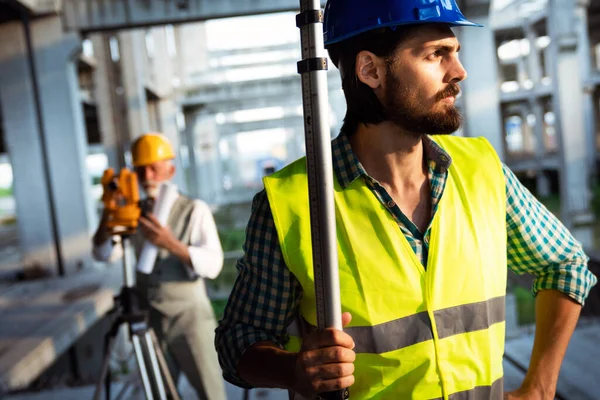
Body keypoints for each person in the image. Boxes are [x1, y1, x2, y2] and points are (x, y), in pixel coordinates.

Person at [215, 0, 598, 399]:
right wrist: (293, 369)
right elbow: (237, 341)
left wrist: (539, 386)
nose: (459, 72)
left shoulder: (483, 170)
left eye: (456, 53)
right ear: (370, 70)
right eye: (437, 55)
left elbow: (565, 264)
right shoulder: (293, 201)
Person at [93, 133, 226, 400]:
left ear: (171, 170)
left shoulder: (194, 209)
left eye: (154, 167)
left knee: (211, 392)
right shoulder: (133, 212)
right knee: (160, 393)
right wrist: (109, 215)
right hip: (149, 316)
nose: (148, 175)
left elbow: (213, 265)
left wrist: (170, 243)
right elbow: (105, 253)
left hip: (189, 318)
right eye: (141, 169)